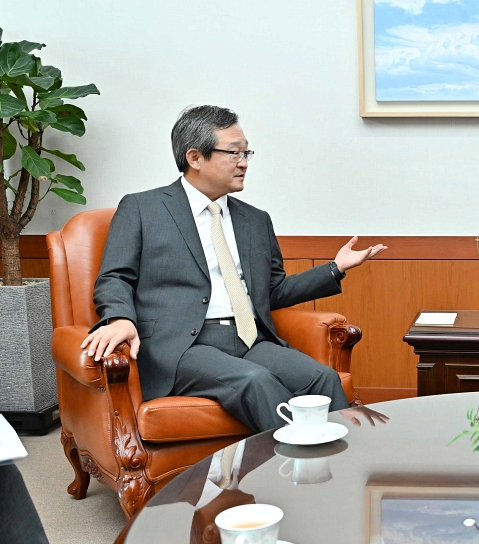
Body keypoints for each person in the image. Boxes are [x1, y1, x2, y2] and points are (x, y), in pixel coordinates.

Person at [83, 105, 387, 433]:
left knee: (322, 379)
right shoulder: (143, 208)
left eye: (246, 153)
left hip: (248, 339)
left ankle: (338, 471)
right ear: (195, 157)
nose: (243, 162)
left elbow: (272, 291)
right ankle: (297, 476)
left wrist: (334, 268)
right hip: (182, 346)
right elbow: (115, 276)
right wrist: (121, 317)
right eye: (233, 152)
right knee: (255, 382)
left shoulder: (255, 220)